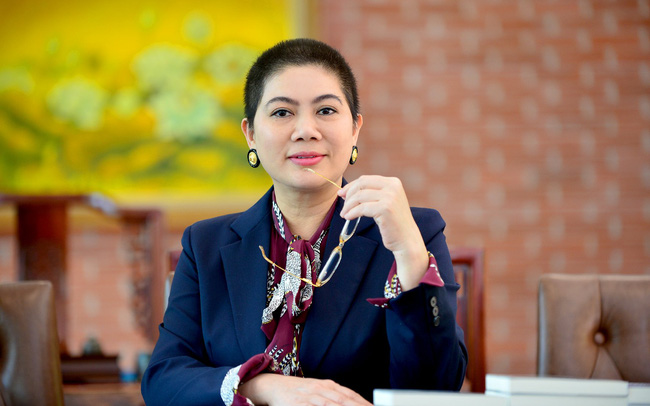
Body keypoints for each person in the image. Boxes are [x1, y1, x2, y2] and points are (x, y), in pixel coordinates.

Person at [141, 38, 467, 406]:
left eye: (326, 110)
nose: (306, 130)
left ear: (355, 128)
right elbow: (163, 379)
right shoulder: (205, 245)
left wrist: (409, 255)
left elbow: (436, 389)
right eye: (282, 112)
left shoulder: (416, 231)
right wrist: (261, 386)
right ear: (250, 134)